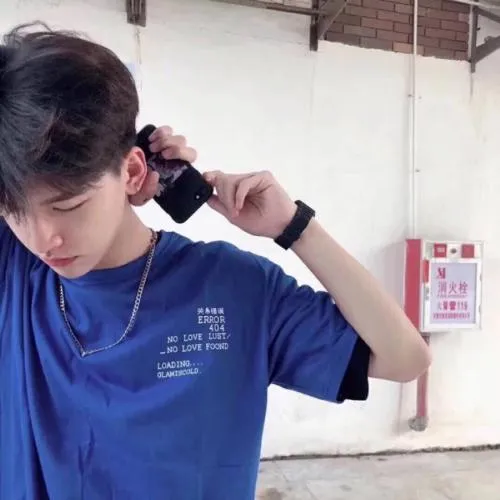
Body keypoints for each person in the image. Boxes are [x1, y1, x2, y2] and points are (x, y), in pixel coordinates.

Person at [0, 23, 431, 500]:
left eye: (67, 205)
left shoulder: (232, 289)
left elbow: (404, 357)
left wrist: (296, 228)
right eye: (14, 212)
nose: (44, 238)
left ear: (134, 171)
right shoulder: (15, 269)